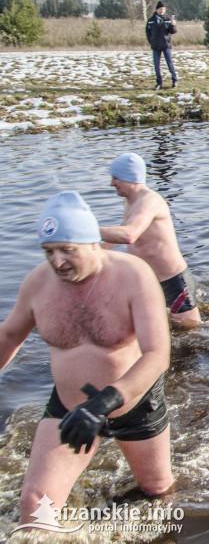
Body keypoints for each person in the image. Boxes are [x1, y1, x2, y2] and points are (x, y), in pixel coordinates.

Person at [1, 192, 173, 523]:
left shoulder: (134, 275)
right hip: (69, 408)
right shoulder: (37, 283)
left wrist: (102, 404)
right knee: (35, 506)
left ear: (94, 242)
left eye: (68, 250)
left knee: (157, 491)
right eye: (49, 252)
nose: (58, 262)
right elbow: (8, 335)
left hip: (133, 403)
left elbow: (157, 355)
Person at [99, 153, 202, 328]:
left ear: (129, 177)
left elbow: (129, 235)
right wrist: (98, 249)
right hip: (148, 280)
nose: (111, 183)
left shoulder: (149, 200)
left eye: (115, 178)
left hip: (173, 281)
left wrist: (84, 230)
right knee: (152, 327)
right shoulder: (129, 201)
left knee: (190, 333)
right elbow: (122, 229)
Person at [146, 1, 178, 90]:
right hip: (155, 46)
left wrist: (173, 25)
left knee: (169, 63)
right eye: (160, 9)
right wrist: (151, 41)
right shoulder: (151, 20)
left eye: (163, 9)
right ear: (157, 9)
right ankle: (159, 83)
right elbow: (148, 33)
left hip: (165, 45)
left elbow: (173, 31)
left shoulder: (168, 19)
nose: (162, 11)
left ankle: (174, 80)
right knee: (157, 65)